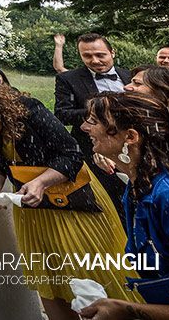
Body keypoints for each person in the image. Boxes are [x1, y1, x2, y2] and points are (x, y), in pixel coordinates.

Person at [0, 81, 139, 320]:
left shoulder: (30, 110)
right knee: (49, 279)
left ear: (0, 110)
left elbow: (71, 155)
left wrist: (41, 182)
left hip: (73, 202)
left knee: (88, 270)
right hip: (32, 209)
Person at [79, 92, 169, 317]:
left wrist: (128, 310)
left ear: (129, 136)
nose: (83, 127)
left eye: (93, 121)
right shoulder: (137, 187)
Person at [54, 33, 130, 208]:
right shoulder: (68, 79)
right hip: (94, 151)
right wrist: (103, 111)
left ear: (112, 52)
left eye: (100, 55)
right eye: (87, 56)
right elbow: (62, 114)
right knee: (111, 204)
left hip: (131, 148)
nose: (94, 60)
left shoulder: (129, 75)